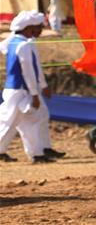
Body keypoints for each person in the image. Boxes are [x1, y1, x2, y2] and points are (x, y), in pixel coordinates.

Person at [0, 10, 63, 163]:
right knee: (10, 122)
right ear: (29, 28)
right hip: (20, 91)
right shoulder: (24, 46)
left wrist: (41, 87)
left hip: (19, 90)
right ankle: (36, 153)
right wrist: (35, 94)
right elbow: (28, 72)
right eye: (39, 26)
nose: (41, 29)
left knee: (33, 119)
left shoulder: (15, 42)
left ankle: (37, 153)